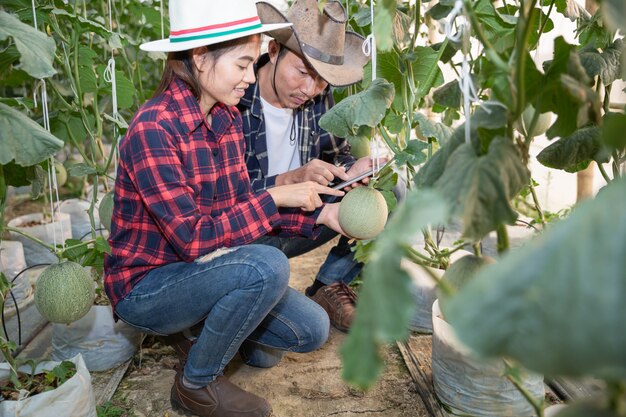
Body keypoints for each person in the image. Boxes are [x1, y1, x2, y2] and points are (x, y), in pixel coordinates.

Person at [103, 1, 348, 416]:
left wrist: (321, 215)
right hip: (148, 286)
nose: (250, 78)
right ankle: (196, 386)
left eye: (253, 64)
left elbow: (237, 208)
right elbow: (195, 238)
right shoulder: (153, 128)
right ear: (200, 58)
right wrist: (273, 197)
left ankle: (202, 327)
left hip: (205, 269)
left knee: (312, 330)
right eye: (242, 65)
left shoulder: (226, 120)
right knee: (267, 266)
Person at [238, 0, 372, 332]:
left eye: (322, 80)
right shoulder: (234, 98)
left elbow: (335, 153)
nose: (310, 89)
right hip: (249, 233)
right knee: (270, 350)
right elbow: (224, 196)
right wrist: (289, 179)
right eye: (301, 72)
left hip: (305, 220)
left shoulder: (315, 95)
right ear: (273, 51)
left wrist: (351, 171)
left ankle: (327, 286)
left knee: (388, 191)